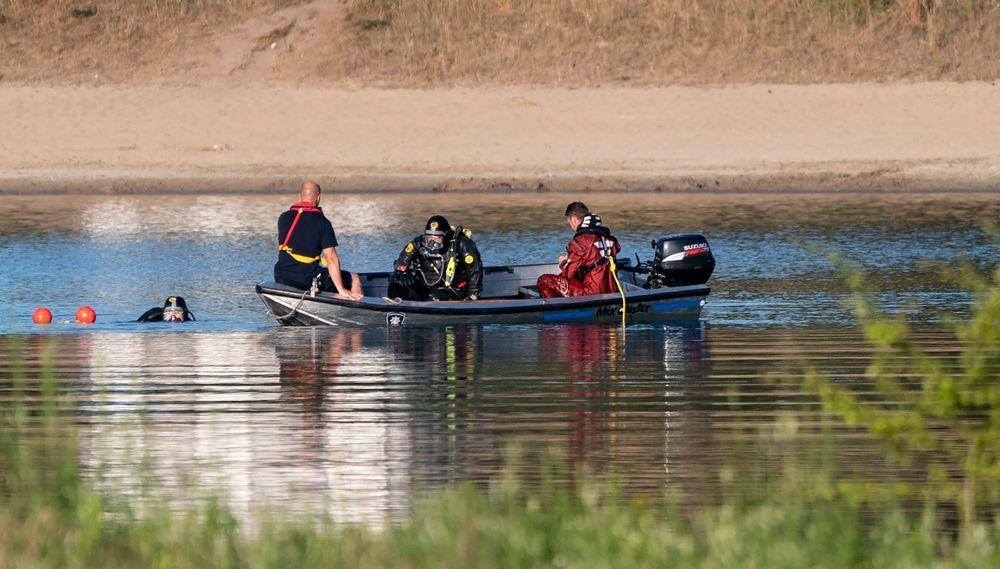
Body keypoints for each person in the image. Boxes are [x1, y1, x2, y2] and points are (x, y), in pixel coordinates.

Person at [274, 181, 363, 300]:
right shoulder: (323, 222)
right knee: (354, 277)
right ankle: (359, 310)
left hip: (281, 275)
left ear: (299, 196)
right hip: (307, 279)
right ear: (318, 198)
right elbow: (331, 257)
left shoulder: (283, 218)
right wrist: (341, 289)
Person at [388, 215, 483, 301]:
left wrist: (472, 296)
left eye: (437, 239)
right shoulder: (418, 243)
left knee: (434, 296)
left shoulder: (463, 245)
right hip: (425, 286)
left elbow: (475, 271)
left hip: (453, 290)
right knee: (395, 280)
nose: (433, 244)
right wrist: (404, 273)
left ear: (446, 237)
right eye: (429, 239)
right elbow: (402, 260)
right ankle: (397, 307)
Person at [537, 202, 621, 298]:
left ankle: (555, 309)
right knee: (565, 276)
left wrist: (563, 262)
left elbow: (567, 274)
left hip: (592, 294)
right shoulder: (611, 239)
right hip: (611, 291)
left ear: (573, 220)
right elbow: (598, 255)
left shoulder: (579, 241)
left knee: (544, 280)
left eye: (569, 222)